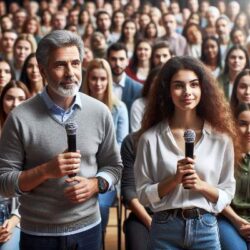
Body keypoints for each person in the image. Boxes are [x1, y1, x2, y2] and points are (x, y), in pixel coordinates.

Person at [0, 30, 123, 250]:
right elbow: (4, 184)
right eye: (60, 65)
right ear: (42, 70)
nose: (70, 73)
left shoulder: (100, 112)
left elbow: (114, 167)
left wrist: (96, 184)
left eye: (75, 63)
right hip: (38, 233)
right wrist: (46, 170)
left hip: (88, 229)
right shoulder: (19, 117)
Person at [134, 56, 237, 249]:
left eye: (194, 85)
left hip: (205, 227)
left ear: (203, 89)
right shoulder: (150, 139)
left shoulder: (221, 138)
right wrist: (173, 180)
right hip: (164, 228)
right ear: (168, 91)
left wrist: (201, 186)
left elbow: (227, 193)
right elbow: (142, 195)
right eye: (179, 86)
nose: (187, 92)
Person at [82, 58, 128, 239]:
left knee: (99, 205)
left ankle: (97, 240)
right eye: (94, 78)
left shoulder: (119, 108)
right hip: (81, 169)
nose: (98, 83)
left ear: (109, 80)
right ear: (87, 80)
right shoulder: (77, 106)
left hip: (106, 171)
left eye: (103, 79)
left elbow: (120, 145)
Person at [0, 80, 30, 250]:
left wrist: (12, 221)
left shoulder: (32, 139)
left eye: (21, 98)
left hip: (17, 215)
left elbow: (34, 190)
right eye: (9, 98)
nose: (15, 104)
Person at [218, 103, 250, 250]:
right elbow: (215, 193)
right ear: (234, 125)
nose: (248, 130)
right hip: (228, 219)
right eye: (243, 124)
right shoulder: (223, 152)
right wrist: (237, 221)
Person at [121, 132, 152, 250]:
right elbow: (129, 191)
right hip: (143, 213)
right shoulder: (132, 141)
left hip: (177, 215)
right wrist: (149, 222)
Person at [107, 43, 142, 116]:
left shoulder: (138, 89)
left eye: (121, 59)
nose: (118, 64)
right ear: (108, 60)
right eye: (113, 59)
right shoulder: (100, 85)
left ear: (127, 61)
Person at [130, 66, 161, 132]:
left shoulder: (170, 105)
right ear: (149, 84)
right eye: (154, 82)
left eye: (160, 83)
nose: (157, 86)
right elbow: (136, 134)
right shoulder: (139, 104)